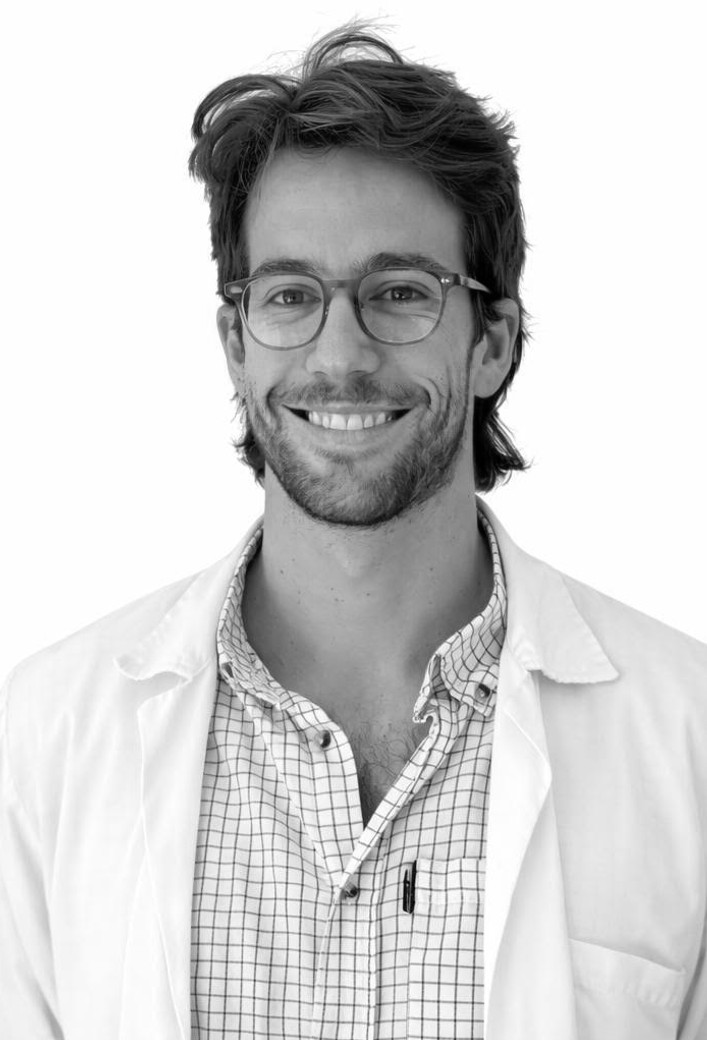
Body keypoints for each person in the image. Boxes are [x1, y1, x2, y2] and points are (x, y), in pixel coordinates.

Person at [1, 23, 706, 1040]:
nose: (340, 354)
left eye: (399, 293)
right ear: (234, 340)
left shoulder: (685, 739)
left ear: (492, 341)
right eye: (290, 295)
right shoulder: (44, 740)